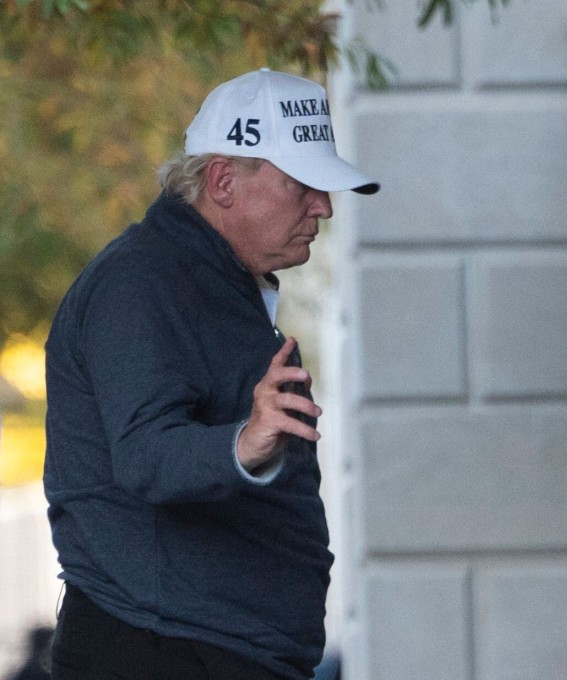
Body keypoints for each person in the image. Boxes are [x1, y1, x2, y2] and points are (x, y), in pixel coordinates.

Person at [43, 68, 378, 680]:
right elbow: (146, 454)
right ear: (223, 180)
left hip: (198, 646)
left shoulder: (203, 281)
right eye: (303, 185)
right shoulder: (141, 283)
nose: (324, 207)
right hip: (162, 649)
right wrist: (244, 444)